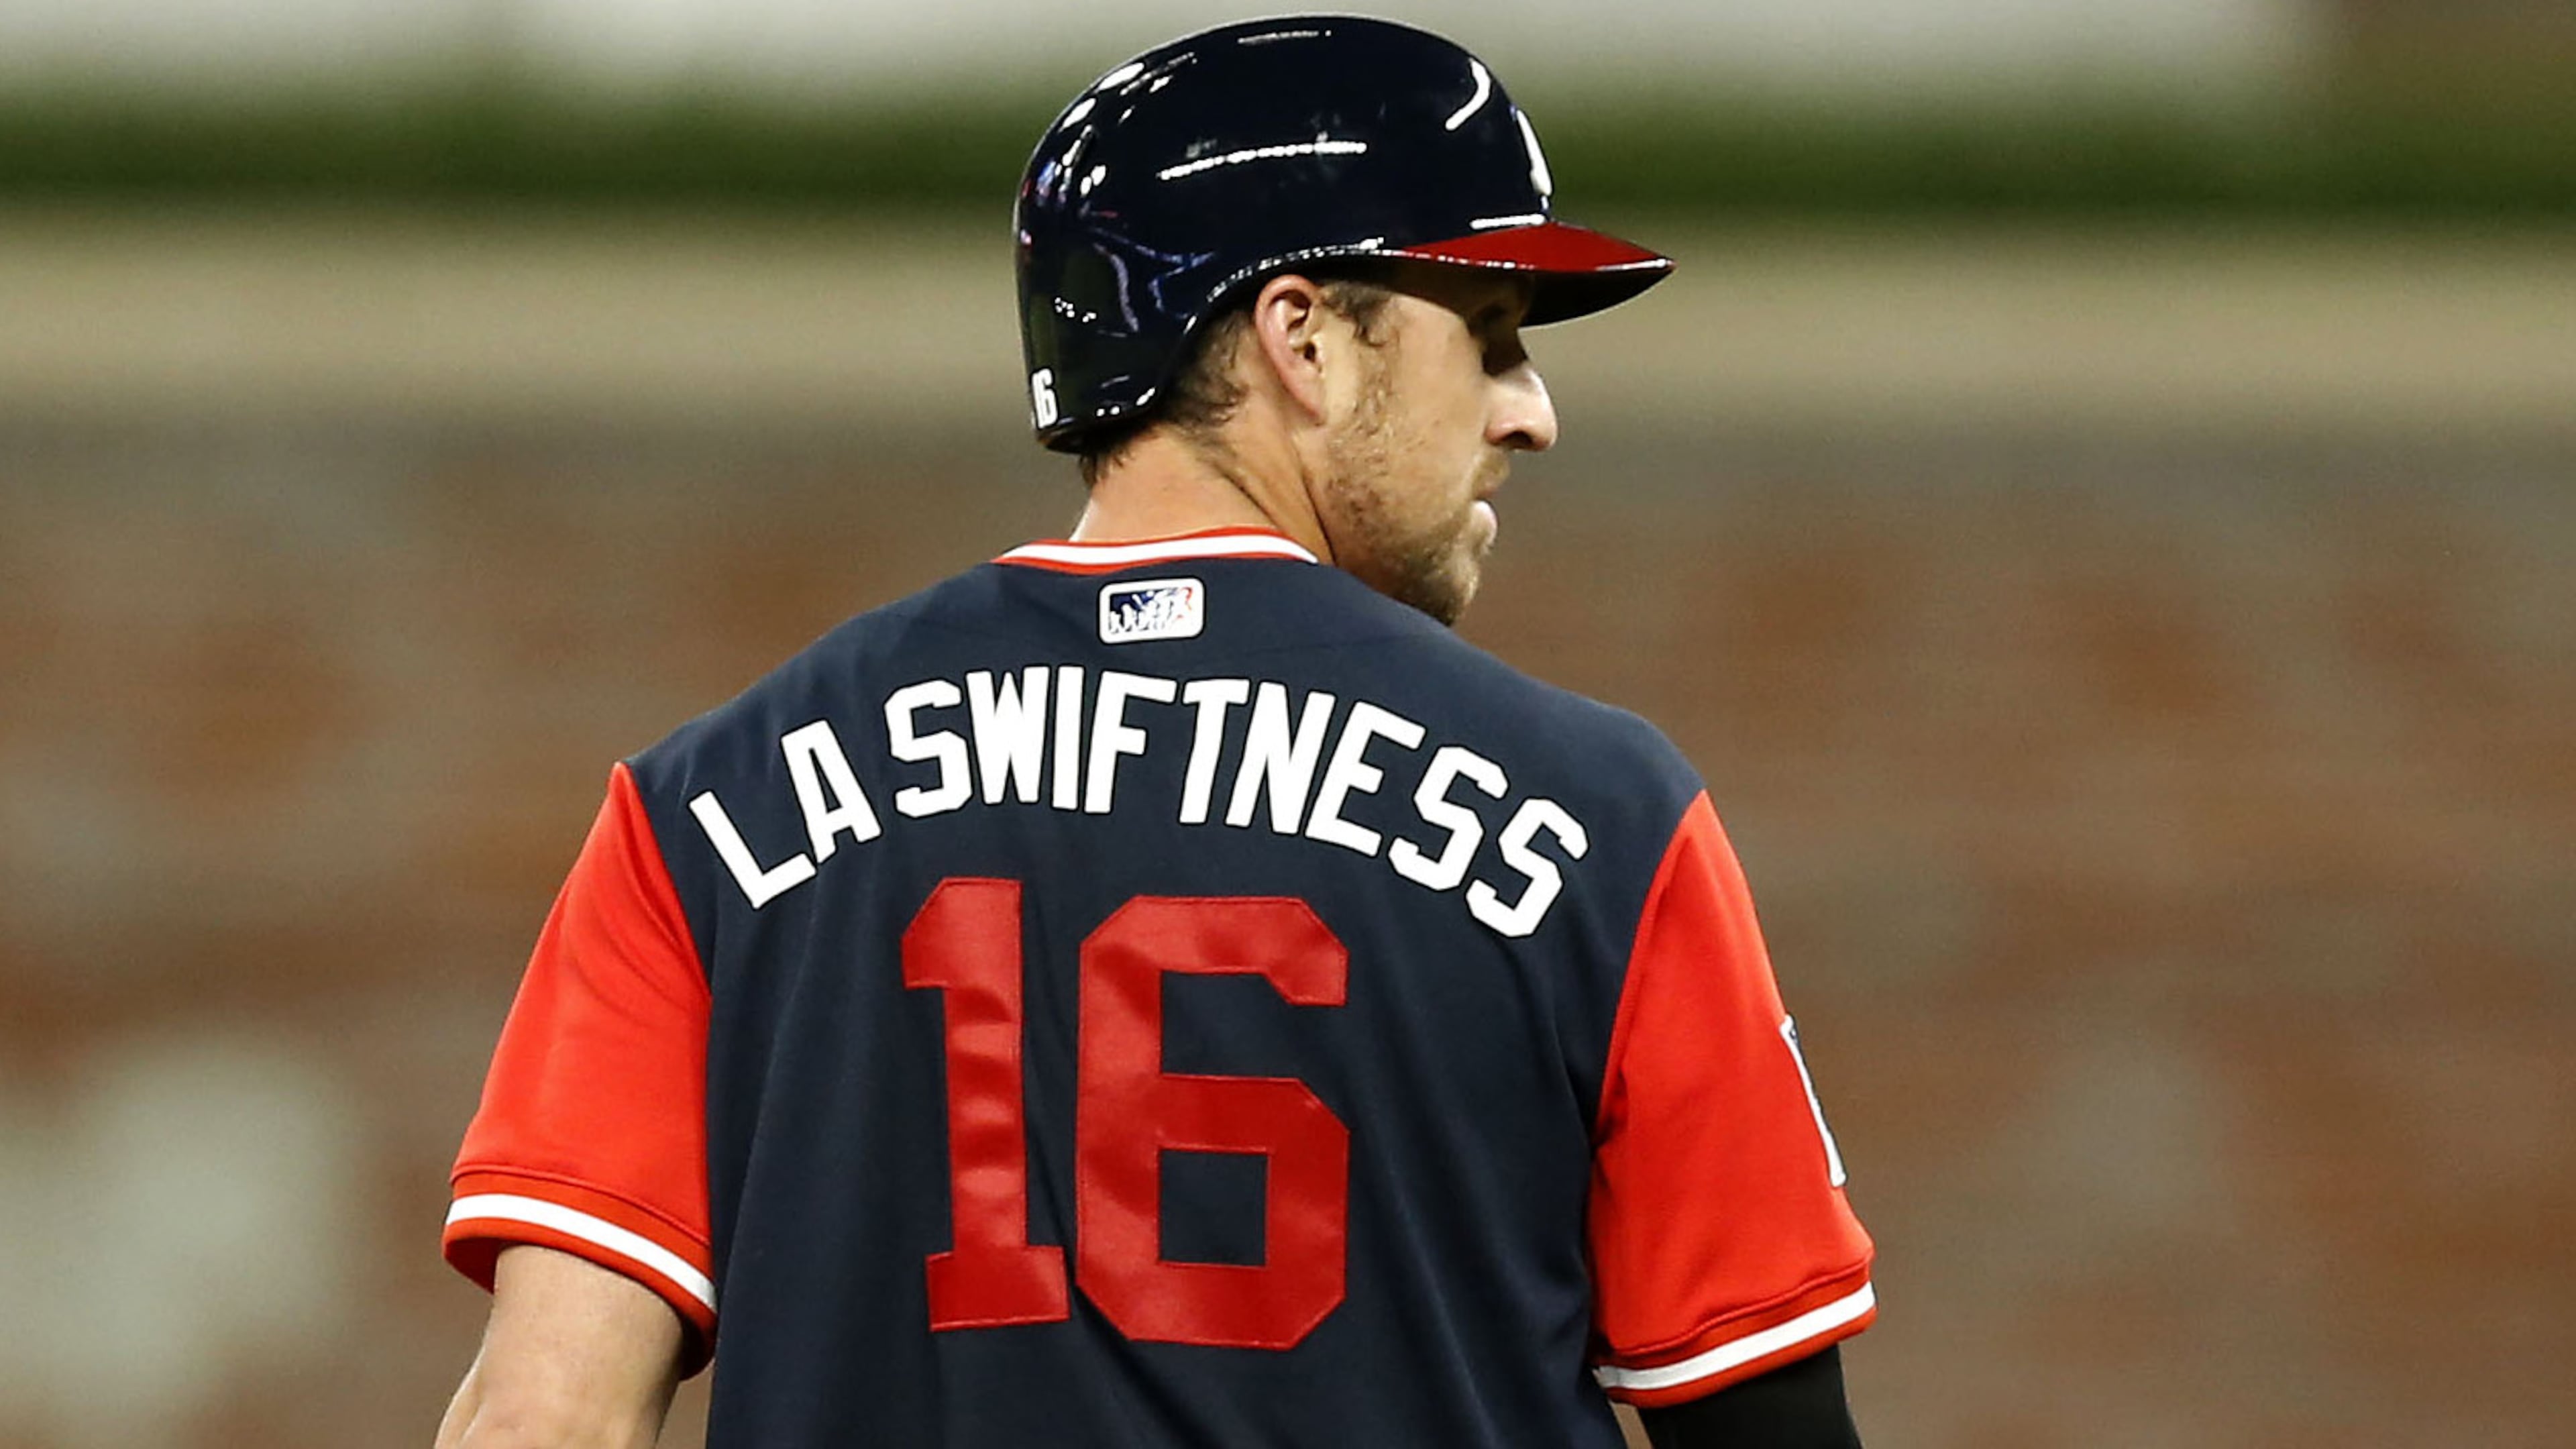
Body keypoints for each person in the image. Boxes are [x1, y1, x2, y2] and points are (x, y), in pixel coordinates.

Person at [434, 16, 1874, 1449]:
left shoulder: (707, 811)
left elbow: (544, 1418)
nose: (1532, 412)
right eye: (1488, 335)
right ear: (1302, 339)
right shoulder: (1601, 820)